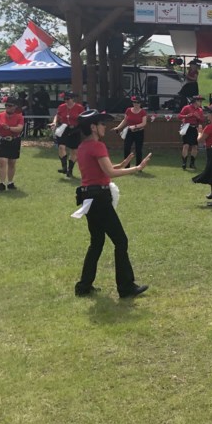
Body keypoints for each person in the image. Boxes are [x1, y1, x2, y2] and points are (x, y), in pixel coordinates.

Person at [72, 109, 152, 299]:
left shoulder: (83, 147)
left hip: (88, 198)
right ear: (93, 127)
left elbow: (102, 169)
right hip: (99, 198)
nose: (104, 127)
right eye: (101, 124)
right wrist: (137, 168)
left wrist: (123, 163)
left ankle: (84, 286)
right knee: (121, 240)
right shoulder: (97, 146)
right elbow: (109, 173)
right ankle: (125, 287)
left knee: (97, 242)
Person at [0, 96, 26, 191]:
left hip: (14, 140)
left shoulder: (19, 117)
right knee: (2, 161)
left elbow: (19, 128)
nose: (7, 107)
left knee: (12, 163)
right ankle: (1, 183)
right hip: (2, 141)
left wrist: (9, 128)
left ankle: (10, 182)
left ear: (15, 107)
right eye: (6, 105)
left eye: (10, 106)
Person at [49, 91, 85, 178]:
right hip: (64, 128)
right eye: (64, 99)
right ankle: (64, 167)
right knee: (61, 147)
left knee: (74, 151)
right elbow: (57, 116)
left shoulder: (79, 107)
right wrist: (54, 123)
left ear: (72, 99)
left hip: (75, 129)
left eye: (68, 99)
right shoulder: (61, 107)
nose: (66, 101)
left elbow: (83, 118)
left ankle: (70, 170)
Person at [114, 96, 148, 166]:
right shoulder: (128, 110)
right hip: (129, 132)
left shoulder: (143, 112)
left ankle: (138, 166)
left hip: (139, 132)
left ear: (140, 103)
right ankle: (127, 166)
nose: (136, 104)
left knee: (138, 150)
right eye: (134, 102)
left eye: (137, 102)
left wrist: (135, 126)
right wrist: (118, 127)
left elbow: (144, 123)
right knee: (126, 148)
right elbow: (125, 120)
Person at [178, 95, 205, 170]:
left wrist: (198, 117)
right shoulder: (187, 107)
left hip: (194, 128)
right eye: (199, 101)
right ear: (195, 101)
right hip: (187, 127)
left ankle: (192, 163)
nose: (201, 102)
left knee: (195, 146)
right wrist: (187, 116)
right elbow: (179, 116)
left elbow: (202, 120)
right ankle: (184, 163)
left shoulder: (200, 110)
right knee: (186, 145)